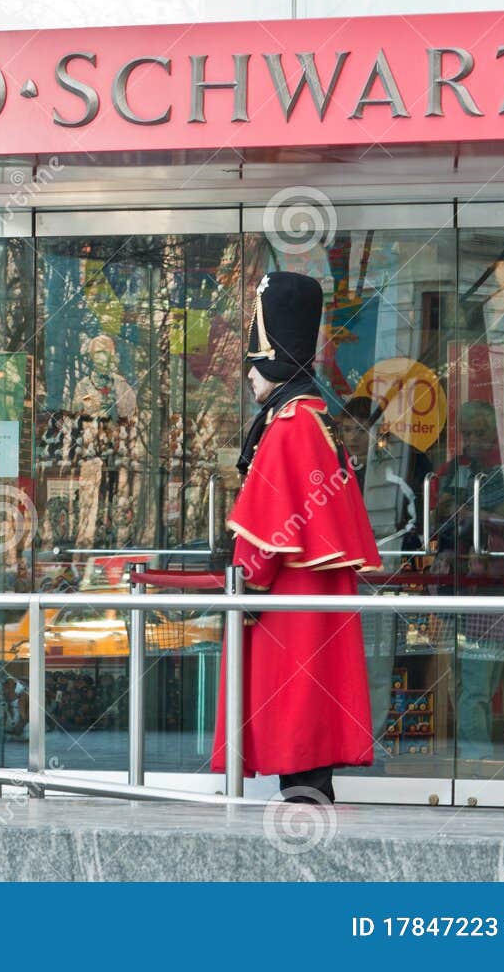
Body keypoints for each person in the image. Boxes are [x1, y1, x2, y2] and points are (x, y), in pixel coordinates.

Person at [211, 271, 379, 804]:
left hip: (288, 604)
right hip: (312, 599)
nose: (250, 378)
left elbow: (264, 536)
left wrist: (244, 592)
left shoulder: (289, 424)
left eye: (256, 365)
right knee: (306, 717)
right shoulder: (315, 416)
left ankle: (305, 822)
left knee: (295, 718)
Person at [432, 400, 504, 761]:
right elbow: (436, 519)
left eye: (481, 431)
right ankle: (479, 754)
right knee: (468, 676)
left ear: (494, 433)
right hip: (458, 583)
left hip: (501, 584)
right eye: (468, 432)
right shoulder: (451, 470)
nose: (473, 439)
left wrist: (499, 528)